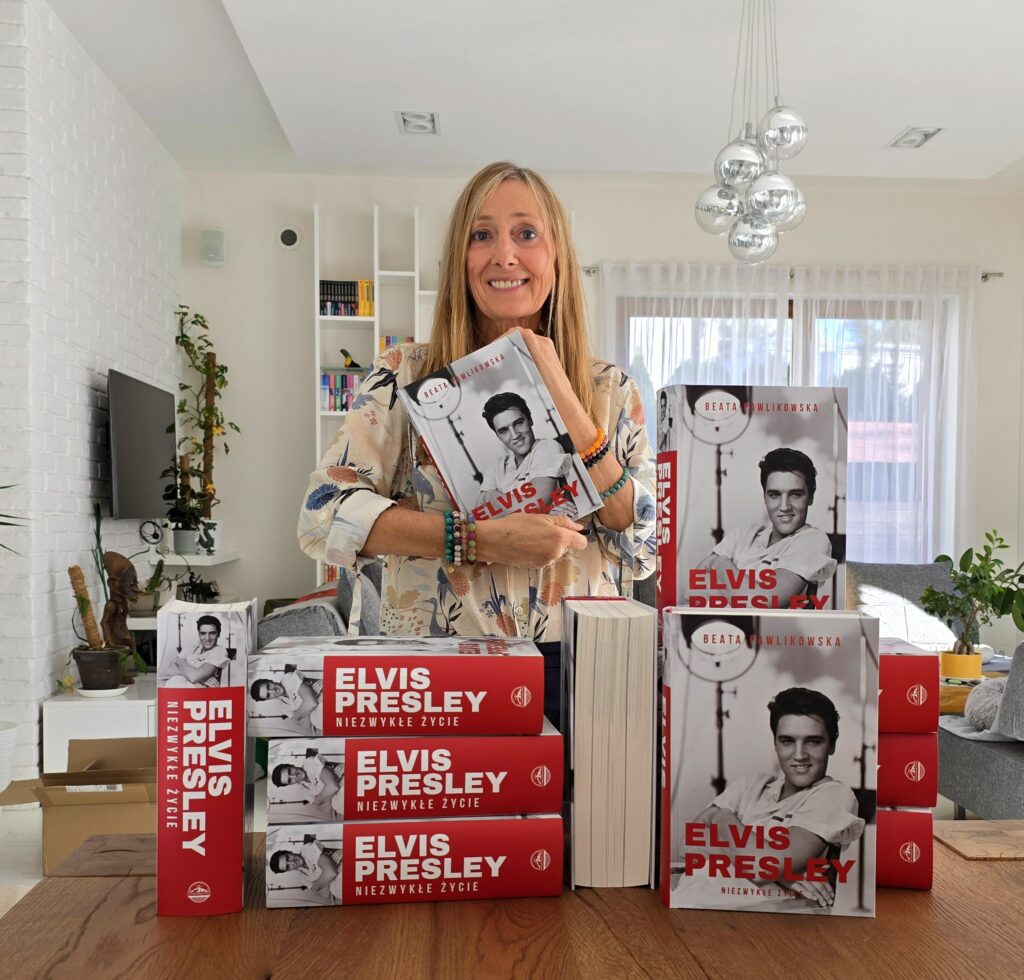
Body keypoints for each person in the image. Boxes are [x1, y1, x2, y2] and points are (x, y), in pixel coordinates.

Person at [297, 162, 657, 719]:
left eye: (526, 233)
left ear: (557, 256)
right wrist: (476, 540)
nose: (504, 255)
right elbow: (322, 516)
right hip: (437, 661)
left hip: (583, 663)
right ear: (459, 260)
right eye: (482, 235)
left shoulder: (610, 388)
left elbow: (643, 544)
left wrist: (561, 388)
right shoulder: (404, 374)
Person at [684, 687, 864, 910]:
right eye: (787, 741)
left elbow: (761, 869)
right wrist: (783, 875)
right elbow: (691, 847)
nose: (799, 755)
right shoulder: (750, 785)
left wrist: (719, 818)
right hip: (697, 897)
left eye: (813, 741)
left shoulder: (834, 795)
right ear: (775, 743)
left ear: (832, 744)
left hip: (758, 913)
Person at [697, 447, 835, 607]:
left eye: (795, 494)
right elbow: (694, 591)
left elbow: (761, 601)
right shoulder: (743, 535)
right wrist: (741, 592)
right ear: (765, 497)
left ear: (810, 497)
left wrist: (720, 563)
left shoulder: (813, 540)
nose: (784, 506)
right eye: (774, 495)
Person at [477, 391, 573, 512]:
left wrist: (489, 496)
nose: (515, 435)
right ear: (498, 436)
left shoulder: (547, 447)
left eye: (518, 423)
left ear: (530, 419)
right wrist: (543, 512)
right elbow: (479, 516)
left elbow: (532, 506)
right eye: (504, 431)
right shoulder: (495, 469)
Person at [250, 666, 324, 734]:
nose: (273, 691)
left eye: (269, 686)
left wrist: (297, 714)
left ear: (270, 680)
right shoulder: (283, 707)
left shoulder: (288, 679)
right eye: (268, 695)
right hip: (322, 721)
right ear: (269, 699)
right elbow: (307, 725)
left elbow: (311, 703)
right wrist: (307, 702)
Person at [162, 614, 229, 688]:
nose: (207, 638)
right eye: (203, 633)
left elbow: (194, 677)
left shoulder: (219, 651)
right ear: (199, 634)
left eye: (212, 633)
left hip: (195, 693)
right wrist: (196, 679)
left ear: (218, 634)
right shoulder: (191, 648)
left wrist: (179, 661)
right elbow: (168, 671)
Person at [269, 837, 341, 906]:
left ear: (289, 852)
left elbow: (331, 873)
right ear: (288, 870)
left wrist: (316, 886)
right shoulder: (304, 879)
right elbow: (327, 895)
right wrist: (330, 869)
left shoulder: (307, 849)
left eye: (288, 858)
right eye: (288, 866)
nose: (292, 862)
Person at [271, 752, 344, 817]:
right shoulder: (305, 792)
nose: (294, 776)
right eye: (290, 780)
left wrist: (317, 801)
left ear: (291, 765)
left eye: (290, 771)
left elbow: (333, 787)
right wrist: (328, 787)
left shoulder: (309, 763)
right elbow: (327, 810)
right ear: (290, 784)